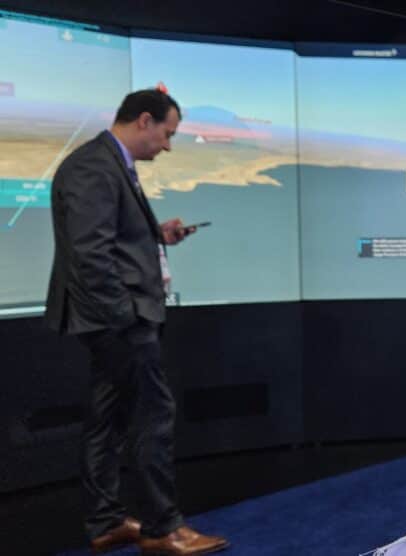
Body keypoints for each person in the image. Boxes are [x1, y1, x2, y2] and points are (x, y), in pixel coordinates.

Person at [45, 89, 228, 555]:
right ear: (144, 120)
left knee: (107, 417)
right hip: (118, 322)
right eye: (167, 134)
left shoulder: (107, 162)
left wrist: (155, 235)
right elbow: (90, 255)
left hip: (109, 319)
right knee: (152, 415)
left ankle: (105, 522)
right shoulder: (94, 166)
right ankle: (163, 528)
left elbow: (110, 239)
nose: (167, 146)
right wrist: (125, 319)